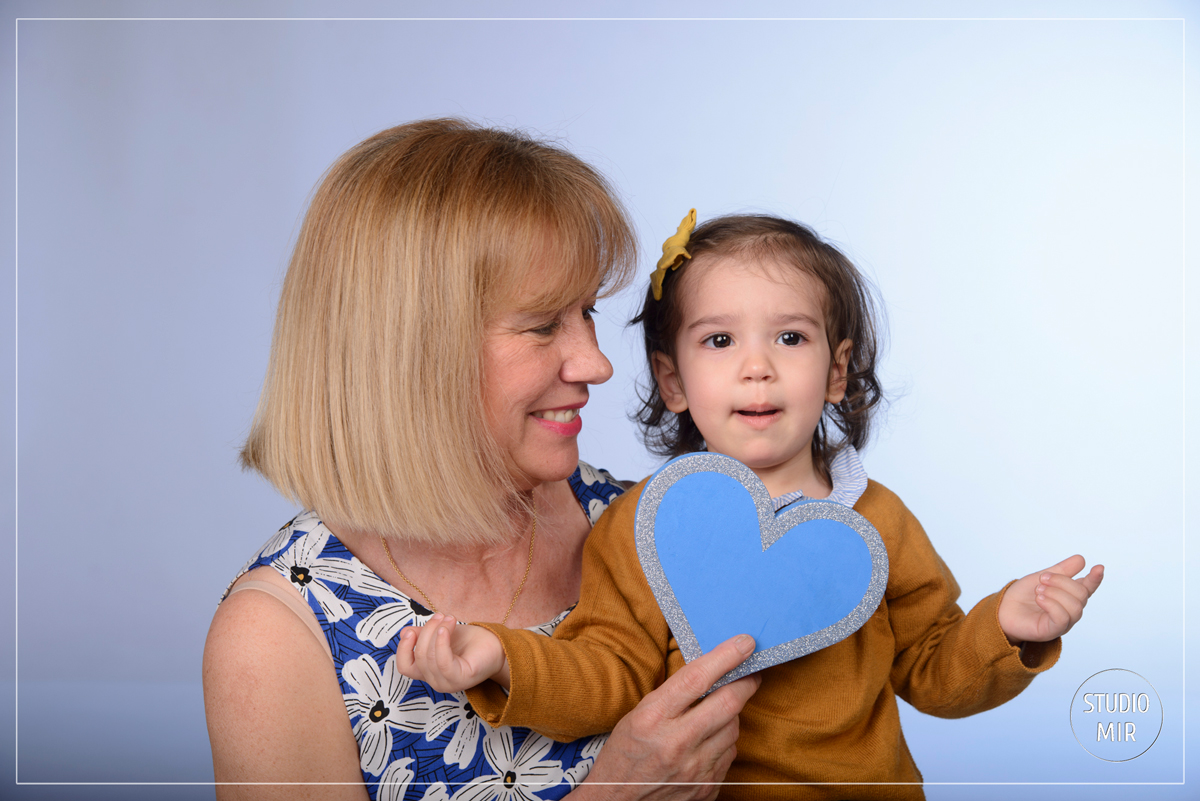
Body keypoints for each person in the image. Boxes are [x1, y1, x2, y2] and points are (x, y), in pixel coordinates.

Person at [395, 212, 1107, 800]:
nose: (756, 364)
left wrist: (1008, 628)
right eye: (719, 339)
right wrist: (501, 656)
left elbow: (934, 668)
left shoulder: (877, 518)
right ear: (672, 380)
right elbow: (606, 670)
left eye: (790, 337)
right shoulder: (644, 526)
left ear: (835, 372)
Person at [202, 123, 762, 801]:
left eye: (585, 311)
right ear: (409, 349)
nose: (597, 362)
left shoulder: (646, 521)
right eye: (542, 323)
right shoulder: (280, 636)